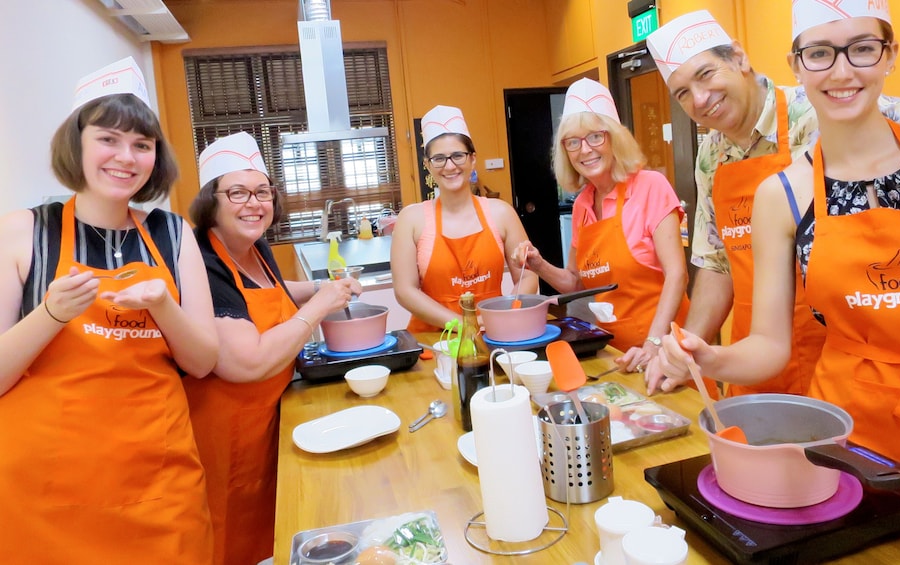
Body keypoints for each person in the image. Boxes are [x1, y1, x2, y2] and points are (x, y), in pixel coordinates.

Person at [656, 2, 900, 544]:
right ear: (797, 64)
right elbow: (750, 311)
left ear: (889, 54)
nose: (842, 72)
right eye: (820, 54)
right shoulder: (774, 188)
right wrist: (706, 353)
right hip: (844, 431)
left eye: (863, 48)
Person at [644, 9, 900, 397]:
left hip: (862, 359)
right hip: (762, 359)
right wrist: (686, 352)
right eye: (682, 93)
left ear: (739, 58)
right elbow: (716, 261)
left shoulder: (830, 103)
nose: (700, 99)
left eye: (706, 74)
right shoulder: (711, 156)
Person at [0, 57, 219, 561]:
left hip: (160, 485)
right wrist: (50, 314)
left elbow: (203, 361)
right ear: (75, 144)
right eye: (108, 139)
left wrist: (164, 305)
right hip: (46, 498)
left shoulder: (172, 233)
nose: (126, 157)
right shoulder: (24, 233)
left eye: (142, 145)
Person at [184, 132, 361, 565]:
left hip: (274, 420)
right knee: (234, 542)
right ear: (212, 200)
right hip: (229, 434)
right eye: (238, 192)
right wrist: (320, 306)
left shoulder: (253, 245)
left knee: (278, 535)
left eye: (262, 191)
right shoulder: (203, 260)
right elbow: (248, 361)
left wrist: (320, 286)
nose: (253, 203)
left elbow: (272, 291)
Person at [514, 78, 691, 381]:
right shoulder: (583, 204)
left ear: (615, 139)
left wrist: (655, 343)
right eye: (573, 142)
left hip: (667, 351)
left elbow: (677, 274)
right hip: (615, 355)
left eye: (595, 136)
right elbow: (575, 283)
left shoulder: (651, 187)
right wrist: (538, 264)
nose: (585, 150)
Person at [392, 105, 537, 332]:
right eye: (439, 158)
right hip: (433, 340)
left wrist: (504, 314)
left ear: (473, 159)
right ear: (427, 165)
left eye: (458, 155)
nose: (450, 166)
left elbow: (527, 276)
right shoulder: (411, 219)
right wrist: (462, 325)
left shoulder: (501, 213)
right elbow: (404, 290)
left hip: (493, 332)